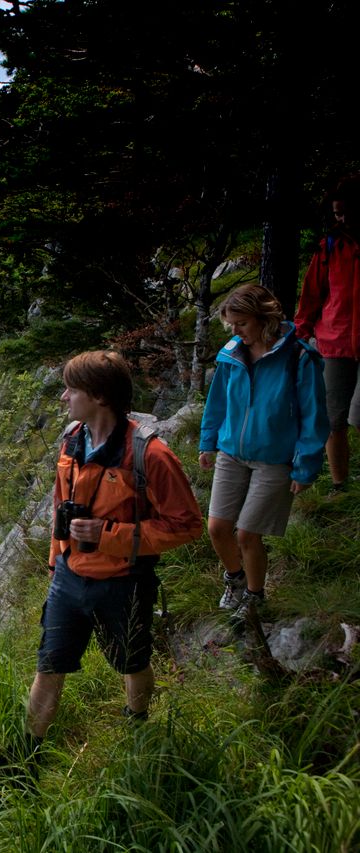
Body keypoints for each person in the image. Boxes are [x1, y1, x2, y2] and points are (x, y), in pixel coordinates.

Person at [28, 351, 202, 745]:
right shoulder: (73, 440)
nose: (63, 398)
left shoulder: (149, 454)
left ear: (99, 397)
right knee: (48, 667)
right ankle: (25, 755)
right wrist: (57, 563)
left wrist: (108, 534)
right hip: (69, 579)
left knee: (132, 662)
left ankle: (136, 728)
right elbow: (61, 504)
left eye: (71, 389)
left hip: (124, 583)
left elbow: (187, 525)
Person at [199, 284, 329, 621]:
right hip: (231, 453)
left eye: (241, 323)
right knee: (216, 528)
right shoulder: (231, 354)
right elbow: (217, 403)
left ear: (264, 320)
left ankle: (256, 597)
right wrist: (207, 442)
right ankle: (236, 580)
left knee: (247, 533)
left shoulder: (299, 358)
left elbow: (315, 416)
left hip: (274, 459)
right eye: (232, 324)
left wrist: (305, 467)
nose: (235, 330)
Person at [294, 179, 360, 493]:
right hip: (335, 342)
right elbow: (311, 295)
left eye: (346, 212)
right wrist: (301, 332)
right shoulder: (330, 246)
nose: (342, 219)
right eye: (337, 213)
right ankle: (340, 485)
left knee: (357, 416)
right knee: (334, 420)